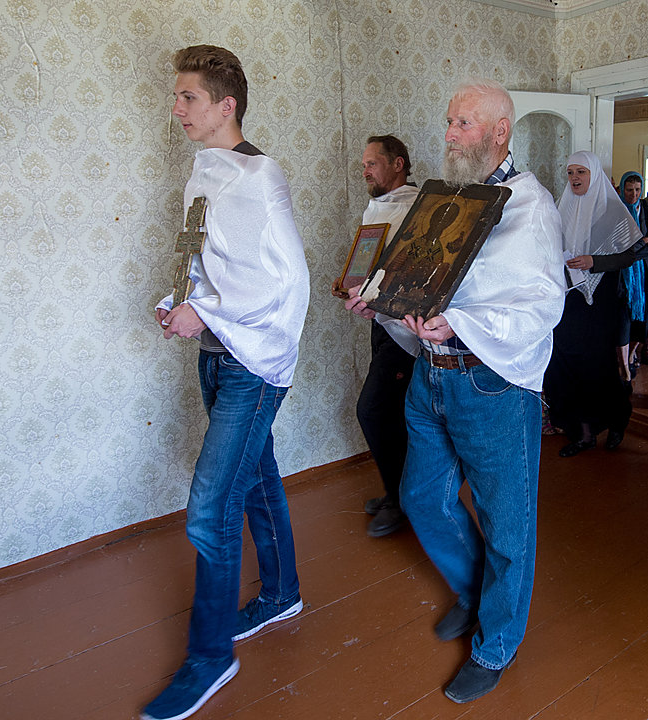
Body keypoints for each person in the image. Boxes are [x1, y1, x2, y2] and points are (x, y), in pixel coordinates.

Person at [347, 79, 565, 703]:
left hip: (492, 384)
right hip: (431, 374)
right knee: (420, 497)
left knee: (507, 525)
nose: (448, 134)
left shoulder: (532, 207)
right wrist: (378, 301)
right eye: (448, 122)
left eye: (462, 123)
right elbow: (418, 282)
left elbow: (541, 306)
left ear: (500, 131)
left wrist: (461, 323)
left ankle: (496, 645)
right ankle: (474, 595)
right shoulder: (443, 199)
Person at [143, 45, 310, 720]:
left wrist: (205, 312)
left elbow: (285, 281)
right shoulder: (201, 173)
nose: (177, 109)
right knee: (258, 479)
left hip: (253, 365)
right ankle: (280, 594)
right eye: (177, 97)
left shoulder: (259, 176)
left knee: (211, 511)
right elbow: (203, 260)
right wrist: (177, 301)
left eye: (189, 97)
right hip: (214, 355)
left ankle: (211, 657)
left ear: (226, 105)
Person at [332, 135, 419, 537]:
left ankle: (403, 501)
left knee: (373, 410)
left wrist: (377, 299)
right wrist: (352, 285)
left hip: (404, 329)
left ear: (398, 164)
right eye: (364, 164)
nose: (364, 170)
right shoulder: (379, 206)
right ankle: (395, 493)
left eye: (372, 163)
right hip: (379, 324)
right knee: (390, 413)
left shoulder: (417, 207)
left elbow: (414, 273)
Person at [543, 151, 642, 457]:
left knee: (598, 367)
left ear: (594, 175)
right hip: (570, 299)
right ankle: (583, 434)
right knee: (565, 365)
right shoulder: (562, 207)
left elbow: (631, 254)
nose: (574, 178)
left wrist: (594, 261)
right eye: (570, 172)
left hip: (600, 302)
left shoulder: (612, 209)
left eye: (581, 172)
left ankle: (617, 420)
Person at [618, 171, 648, 377]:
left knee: (644, 319)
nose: (634, 194)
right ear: (622, 190)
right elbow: (616, 244)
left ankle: (632, 354)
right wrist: (641, 242)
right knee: (624, 319)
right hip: (623, 276)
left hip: (645, 273)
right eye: (629, 190)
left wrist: (631, 254)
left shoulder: (647, 208)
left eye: (637, 190)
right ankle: (624, 360)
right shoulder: (617, 209)